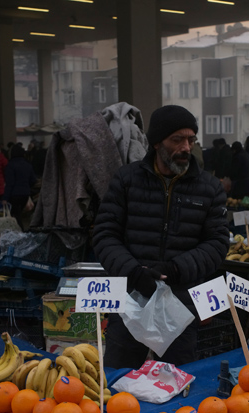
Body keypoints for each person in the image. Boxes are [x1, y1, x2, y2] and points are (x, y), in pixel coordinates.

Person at [93, 104, 229, 369]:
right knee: (119, 382)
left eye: (191, 139)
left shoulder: (209, 188)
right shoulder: (126, 180)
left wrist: (177, 269)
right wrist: (133, 272)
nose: (186, 147)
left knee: (177, 385)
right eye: (177, 139)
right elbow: (104, 234)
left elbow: (217, 243)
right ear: (157, 143)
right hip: (131, 300)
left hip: (180, 305)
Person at [4, 143, 37, 228]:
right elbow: (33, 180)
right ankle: (22, 232)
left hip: (14, 194)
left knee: (15, 215)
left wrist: (5, 198)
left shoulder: (10, 165)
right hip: (25, 194)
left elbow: (9, 183)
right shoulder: (27, 164)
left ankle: (21, 233)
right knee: (19, 214)